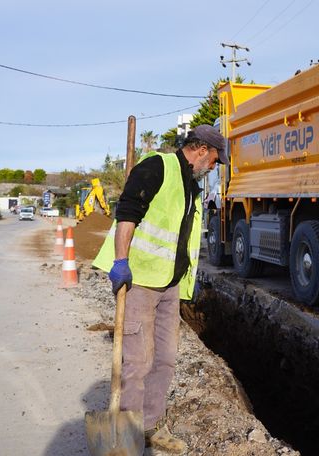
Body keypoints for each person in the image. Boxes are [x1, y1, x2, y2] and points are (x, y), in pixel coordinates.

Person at [92, 124, 227, 454]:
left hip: (170, 285)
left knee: (165, 360)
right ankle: (125, 437)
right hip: (139, 282)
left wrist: (186, 281)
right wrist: (121, 261)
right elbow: (127, 214)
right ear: (199, 150)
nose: (213, 167)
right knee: (137, 362)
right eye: (213, 160)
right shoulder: (156, 167)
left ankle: (151, 424)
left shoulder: (191, 186)